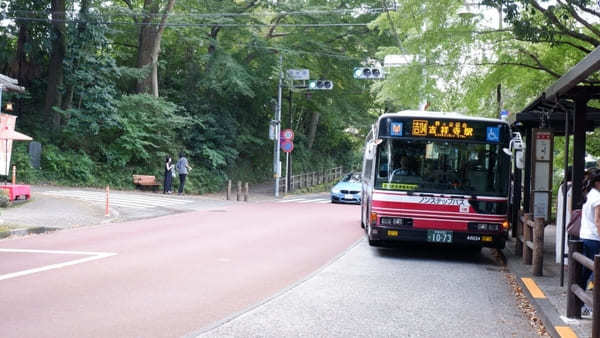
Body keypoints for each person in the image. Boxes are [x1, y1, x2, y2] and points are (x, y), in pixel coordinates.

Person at [579, 169, 600, 317]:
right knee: (594, 273)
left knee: (585, 273)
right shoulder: (598, 197)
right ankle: (588, 306)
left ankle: (580, 304)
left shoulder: (588, 195)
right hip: (594, 238)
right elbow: (598, 221)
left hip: (585, 236)